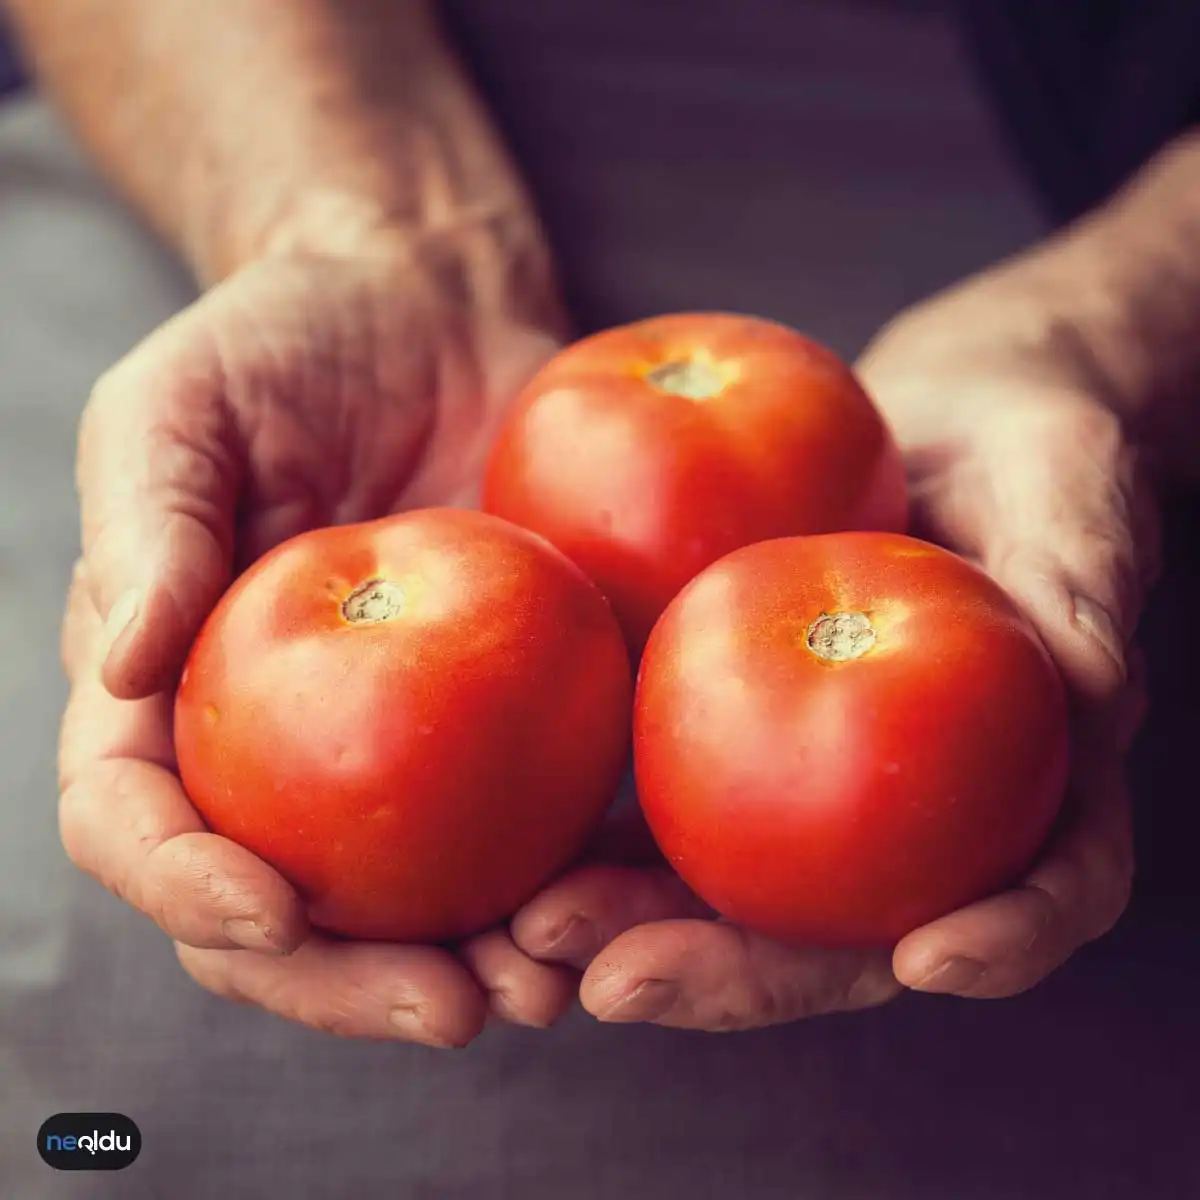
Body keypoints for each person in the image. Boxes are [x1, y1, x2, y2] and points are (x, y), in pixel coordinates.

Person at [2, 0, 1198, 1194]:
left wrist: (1093, 330)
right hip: (286, 93)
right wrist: (351, 226)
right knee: (77, 992)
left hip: (1071, 166)